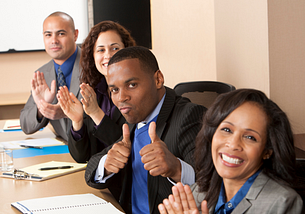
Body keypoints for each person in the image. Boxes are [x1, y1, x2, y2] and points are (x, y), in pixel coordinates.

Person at [84, 46, 207, 214]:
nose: (121, 98)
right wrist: (106, 163)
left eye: (132, 84)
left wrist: (177, 169)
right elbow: (91, 169)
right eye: (114, 90)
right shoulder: (133, 116)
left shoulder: (189, 116)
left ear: (158, 79)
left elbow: (211, 184)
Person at [158, 89, 304, 214]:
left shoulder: (282, 203)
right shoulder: (199, 191)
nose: (233, 144)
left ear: (267, 151)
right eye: (226, 130)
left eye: (250, 137)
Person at [56, 21, 136, 163]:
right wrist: (77, 122)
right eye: (100, 50)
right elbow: (81, 157)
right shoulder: (93, 91)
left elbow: (128, 149)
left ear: (127, 50)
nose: (108, 55)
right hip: (99, 178)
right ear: (92, 56)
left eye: (115, 48)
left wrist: (96, 113)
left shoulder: (136, 91)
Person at [20, 11, 80, 141]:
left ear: (75, 35)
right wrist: (42, 107)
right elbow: (25, 124)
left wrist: (67, 113)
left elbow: (107, 114)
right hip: (64, 149)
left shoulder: (94, 65)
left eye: (61, 33)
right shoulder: (42, 74)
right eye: (48, 35)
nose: (54, 40)